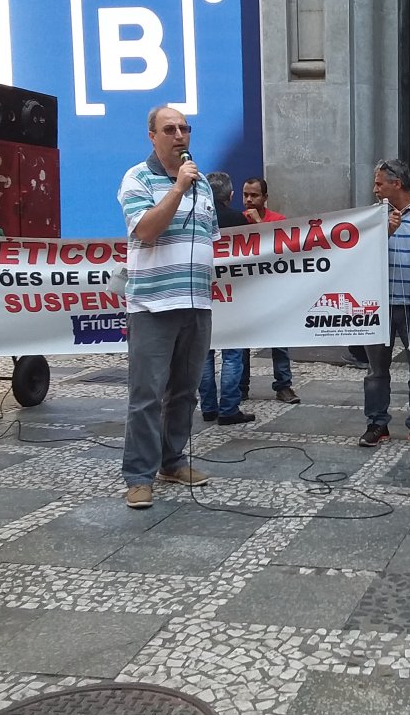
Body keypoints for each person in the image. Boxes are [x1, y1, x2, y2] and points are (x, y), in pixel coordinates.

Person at [117, 105, 220, 508]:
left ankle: (172, 460)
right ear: (152, 136)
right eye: (170, 129)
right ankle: (138, 476)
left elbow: (210, 236)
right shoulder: (137, 178)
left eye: (184, 128)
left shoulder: (203, 183)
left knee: (185, 392)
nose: (179, 135)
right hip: (152, 305)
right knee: (147, 394)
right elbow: (146, 230)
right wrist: (177, 188)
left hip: (196, 304)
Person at [360, 158, 410, 449]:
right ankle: (377, 423)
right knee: (376, 372)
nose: (375, 189)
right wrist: (384, 233)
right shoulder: (371, 217)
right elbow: (357, 255)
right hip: (379, 305)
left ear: (397, 184)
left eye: (379, 184)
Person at [234, 177, 300, 405]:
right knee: (241, 342)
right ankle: (241, 386)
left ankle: (284, 385)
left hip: (272, 291)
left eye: (254, 195)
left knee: (279, 340)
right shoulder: (237, 221)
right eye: (245, 195)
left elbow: (277, 251)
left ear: (265, 197)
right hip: (246, 292)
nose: (249, 200)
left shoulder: (278, 220)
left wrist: (258, 223)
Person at [197, 172, 255, 424]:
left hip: (203, 293)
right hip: (233, 295)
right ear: (230, 196)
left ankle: (208, 407)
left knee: (204, 353)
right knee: (232, 353)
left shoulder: (198, 219)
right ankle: (229, 408)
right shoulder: (238, 219)